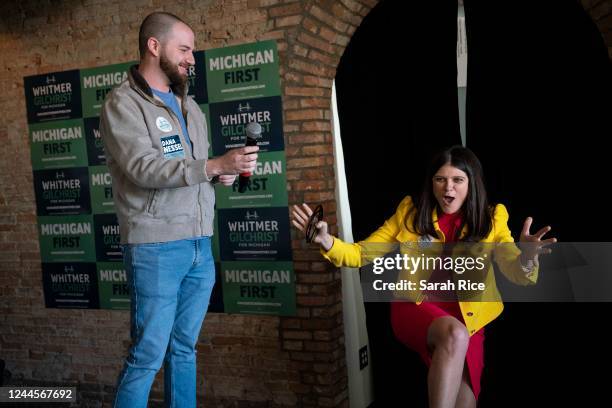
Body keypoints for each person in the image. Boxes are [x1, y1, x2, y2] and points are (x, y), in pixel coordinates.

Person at [291, 146, 555, 408]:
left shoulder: (493, 218)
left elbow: (515, 271)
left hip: (470, 317)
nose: (448, 188)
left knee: (466, 401)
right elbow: (360, 254)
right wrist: (326, 239)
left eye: (457, 180)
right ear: (432, 183)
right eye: (440, 179)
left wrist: (528, 257)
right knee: (455, 334)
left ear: (472, 183)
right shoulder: (410, 213)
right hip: (415, 306)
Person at [99, 12, 259, 408]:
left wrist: (223, 174)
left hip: (199, 246)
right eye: (184, 49)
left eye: (193, 51)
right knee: (146, 356)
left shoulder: (190, 107)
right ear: (154, 47)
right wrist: (212, 166)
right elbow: (143, 168)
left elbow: (194, 170)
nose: (192, 59)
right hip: (155, 249)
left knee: (184, 348)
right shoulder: (123, 103)